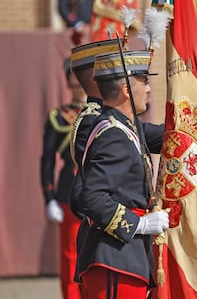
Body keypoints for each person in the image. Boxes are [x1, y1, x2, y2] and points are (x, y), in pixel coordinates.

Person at [75, 50, 168, 299]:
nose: (149, 88)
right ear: (127, 88)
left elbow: (167, 136)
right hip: (115, 260)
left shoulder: (124, 126)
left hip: (124, 257)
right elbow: (92, 198)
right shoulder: (114, 134)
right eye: (144, 81)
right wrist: (139, 224)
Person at [40, 57, 87, 299]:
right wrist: (48, 197)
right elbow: (47, 159)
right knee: (71, 257)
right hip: (70, 193)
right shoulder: (59, 116)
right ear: (68, 79)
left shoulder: (102, 112)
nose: (79, 79)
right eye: (74, 74)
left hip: (102, 192)